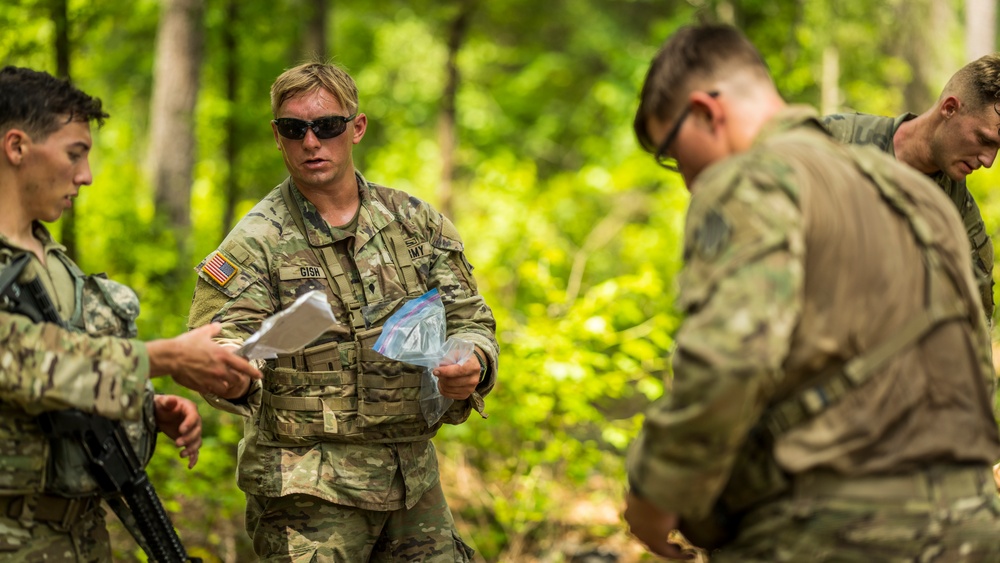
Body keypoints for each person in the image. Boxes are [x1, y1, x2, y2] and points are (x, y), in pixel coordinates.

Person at [624, 24, 1000, 562]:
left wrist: (655, 494)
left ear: (706, 111)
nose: (685, 177)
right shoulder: (918, 200)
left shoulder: (755, 177)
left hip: (830, 528)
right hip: (966, 529)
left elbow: (731, 358)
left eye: (672, 151)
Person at [186, 61, 499, 562]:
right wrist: (234, 372)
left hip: (411, 480)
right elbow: (215, 344)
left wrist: (473, 363)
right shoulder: (254, 243)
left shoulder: (415, 223)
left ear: (356, 128)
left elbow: (470, 319)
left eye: (327, 126)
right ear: (278, 136)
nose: (311, 142)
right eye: (295, 129)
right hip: (309, 492)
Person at [0, 66, 262, 561]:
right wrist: (162, 357)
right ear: (17, 147)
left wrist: (144, 405)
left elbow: (76, 373)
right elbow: (24, 361)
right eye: (74, 154)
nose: (86, 175)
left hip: (80, 537)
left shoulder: (54, 264)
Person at [823, 54, 1000, 323]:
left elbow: (975, 324)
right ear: (950, 108)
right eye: (984, 140)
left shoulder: (960, 216)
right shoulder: (834, 142)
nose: (989, 161)